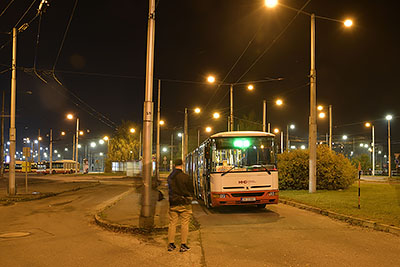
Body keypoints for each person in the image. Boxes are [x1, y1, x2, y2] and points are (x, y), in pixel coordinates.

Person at [167, 158, 194, 252]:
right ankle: (183, 245)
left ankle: (171, 244)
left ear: (174, 165)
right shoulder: (185, 177)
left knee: (172, 224)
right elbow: (191, 189)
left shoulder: (170, 177)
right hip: (184, 203)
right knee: (184, 224)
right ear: (182, 165)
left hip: (173, 203)